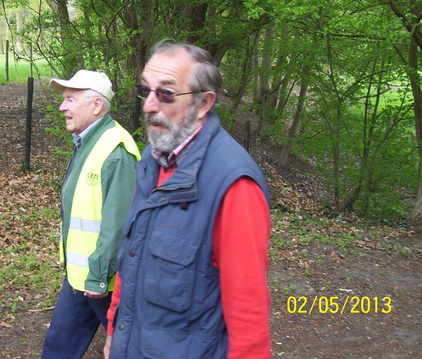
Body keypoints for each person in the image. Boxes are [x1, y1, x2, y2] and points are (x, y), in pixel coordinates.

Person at [104, 42, 272, 359]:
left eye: (166, 94)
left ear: (204, 102)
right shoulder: (153, 161)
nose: (149, 105)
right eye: (145, 90)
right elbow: (132, 258)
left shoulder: (233, 185)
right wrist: (114, 332)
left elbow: (249, 315)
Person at [42, 70, 141, 359]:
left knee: (128, 349)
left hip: (103, 282)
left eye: (70, 100)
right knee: (58, 345)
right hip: (81, 278)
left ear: (96, 105)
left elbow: (118, 224)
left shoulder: (116, 150)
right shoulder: (88, 142)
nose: (62, 107)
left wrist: (98, 278)